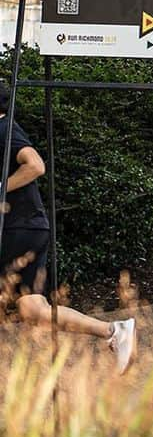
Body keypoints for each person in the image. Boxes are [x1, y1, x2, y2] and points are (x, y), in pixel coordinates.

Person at [0, 84, 136, 372]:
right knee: (31, 309)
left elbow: (35, 165)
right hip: (26, 228)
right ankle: (114, 331)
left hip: (18, 228)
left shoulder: (3, 129)